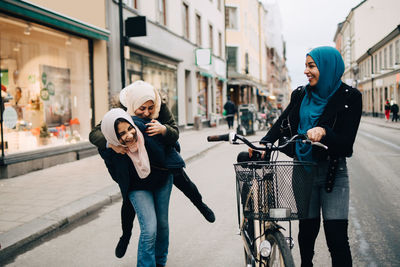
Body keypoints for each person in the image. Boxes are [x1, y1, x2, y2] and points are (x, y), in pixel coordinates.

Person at [260, 46, 362, 267]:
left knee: (336, 237)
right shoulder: (300, 94)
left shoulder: (351, 97)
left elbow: (346, 144)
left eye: (311, 66)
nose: (306, 71)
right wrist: (265, 144)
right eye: (305, 66)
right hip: (302, 170)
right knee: (306, 233)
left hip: (333, 174)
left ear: (327, 67)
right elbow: (282, 123)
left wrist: (324, 132)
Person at [89, 81, 215, 259]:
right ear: (132, 105)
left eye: (150, 108)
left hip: (161, 165)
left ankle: (200, 206)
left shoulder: (159, 106)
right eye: (142, 109)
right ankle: (126, 237)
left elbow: (174, 133)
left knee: (179, 194)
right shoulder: (120, 113)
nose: (147, 112)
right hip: (135, 175)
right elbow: (95, 133)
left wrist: (163, 129)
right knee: (143, 222)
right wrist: (111, 143)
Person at [100, 108, 172, 267]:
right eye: (121, 134)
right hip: (137, 187)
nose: (129, 135)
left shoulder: (147, 130)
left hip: (161, 180)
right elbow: (116, 176)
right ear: (114, 137)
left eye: (129, 129)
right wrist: (111, 145)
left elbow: (174, 143)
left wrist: (165, 130)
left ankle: (160, 263)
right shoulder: (112, 151)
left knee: (162, 224)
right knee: (150, 229)